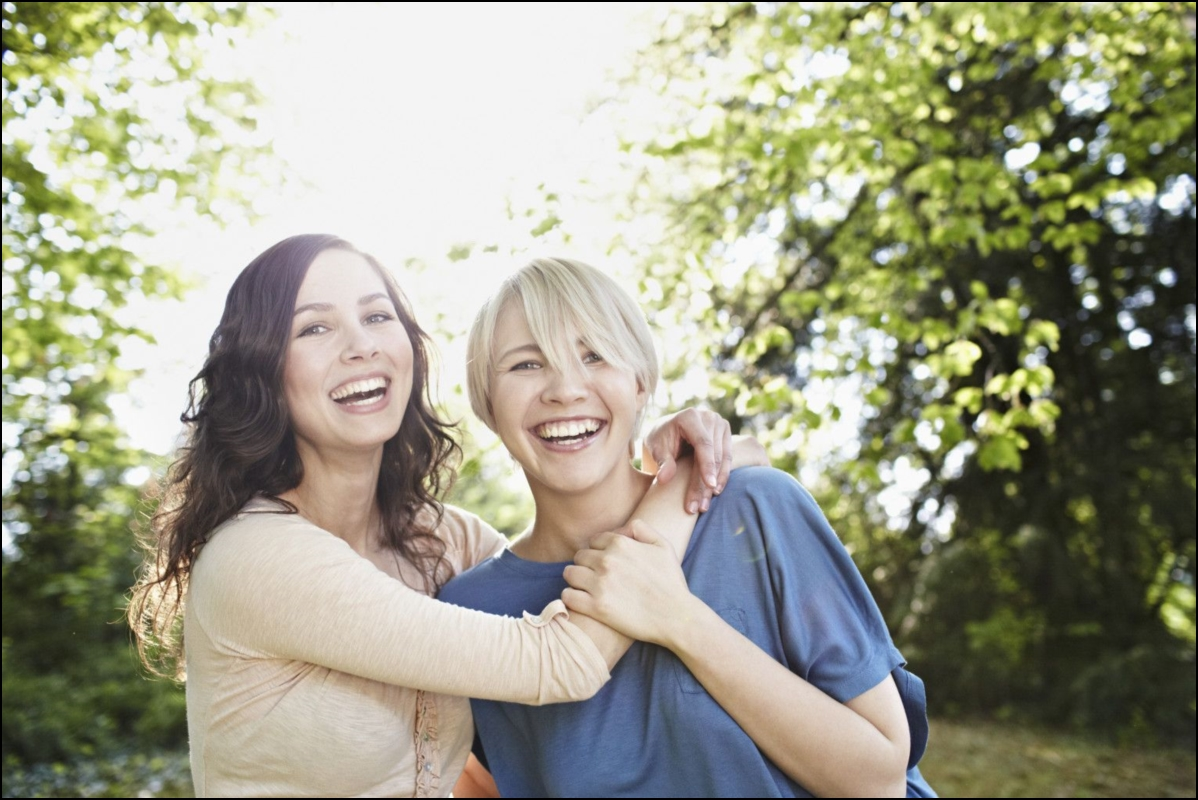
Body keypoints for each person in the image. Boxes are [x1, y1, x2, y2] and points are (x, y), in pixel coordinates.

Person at [126, 234, 757, 798]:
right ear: (262, 370)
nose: (361, 346)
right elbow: (558, 660)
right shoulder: (255, 558)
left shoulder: (443, 541)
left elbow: (564, 554)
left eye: (377, 316)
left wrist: (687, 447)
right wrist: (681, 488)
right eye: (314, 328)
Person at [440, 257, 936, 797]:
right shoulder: (470, 612)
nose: (565, 388)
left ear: (641, 383)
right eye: (526, 365)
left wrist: (678, 619)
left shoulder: (757, 511)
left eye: (594, 355)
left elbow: (880, 779)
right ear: (487, 403)